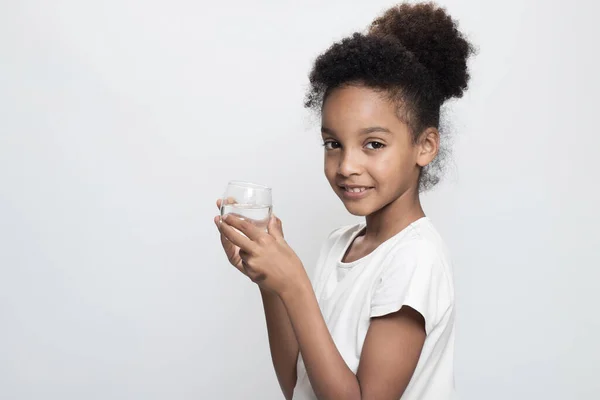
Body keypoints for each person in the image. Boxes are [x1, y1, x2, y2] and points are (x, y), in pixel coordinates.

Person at [214, 2, 474, 399]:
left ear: (425, 146)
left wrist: (296, 284)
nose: (347, 165)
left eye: (373, 144)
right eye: (333, 143)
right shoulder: (342, 244)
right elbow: (298, 386)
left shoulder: (415, 258)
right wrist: (271, 284)